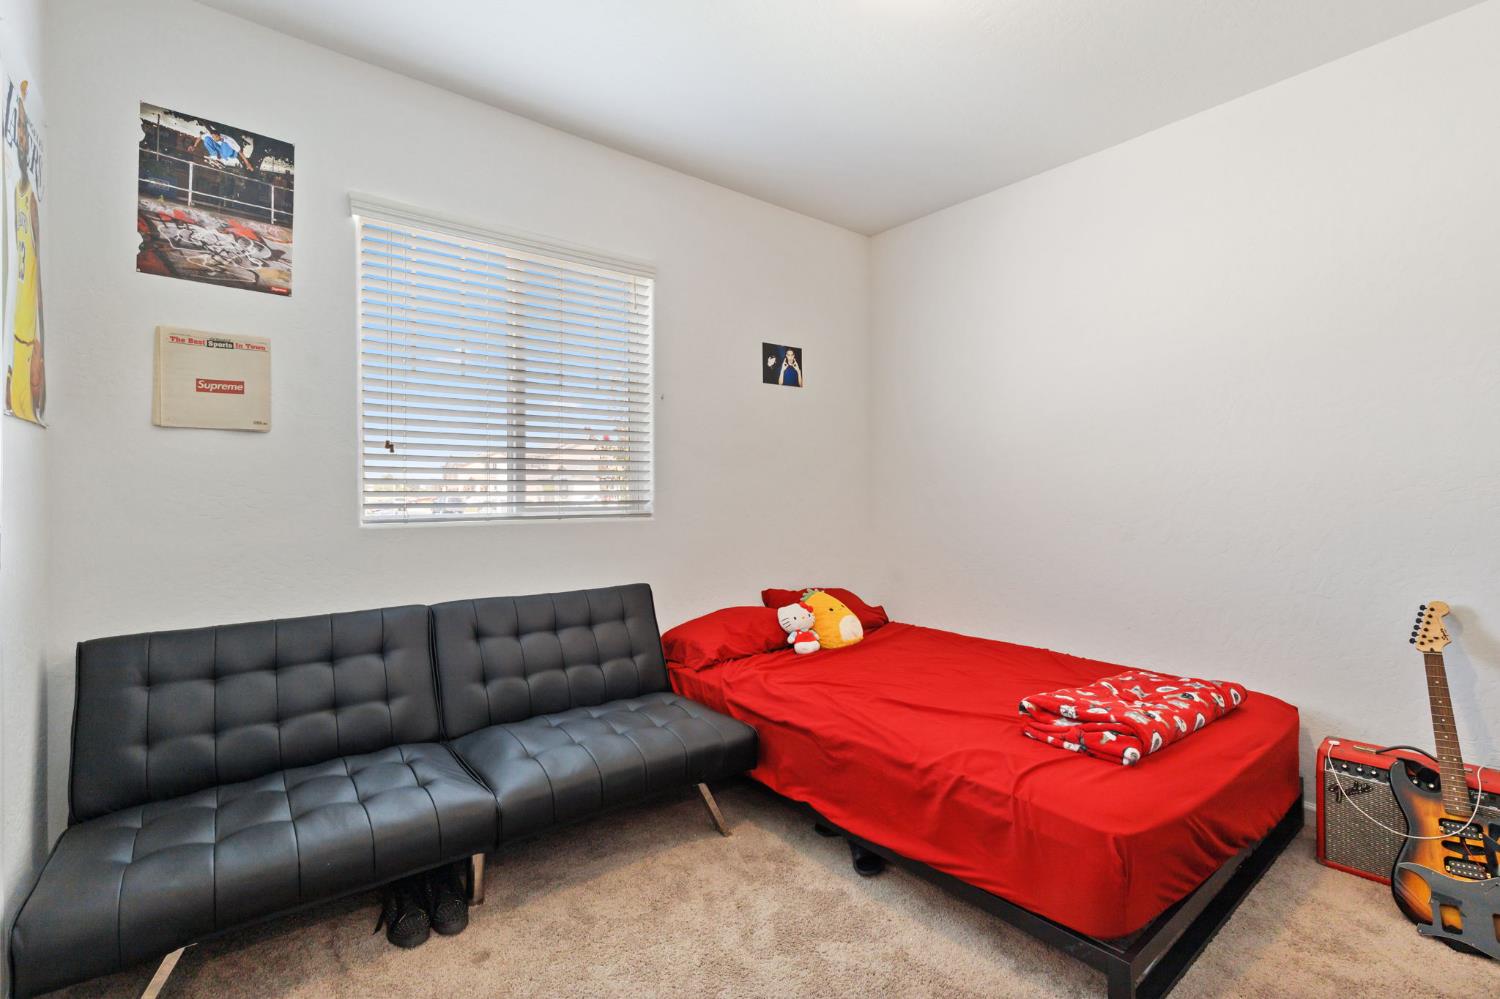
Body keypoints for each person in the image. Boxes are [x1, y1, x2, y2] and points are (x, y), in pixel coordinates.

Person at [6, 80, 43, 424]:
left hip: (27, 341)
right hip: (16, 342)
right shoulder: (15, 193)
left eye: (23, 131)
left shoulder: (30, 201)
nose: (19, 138)